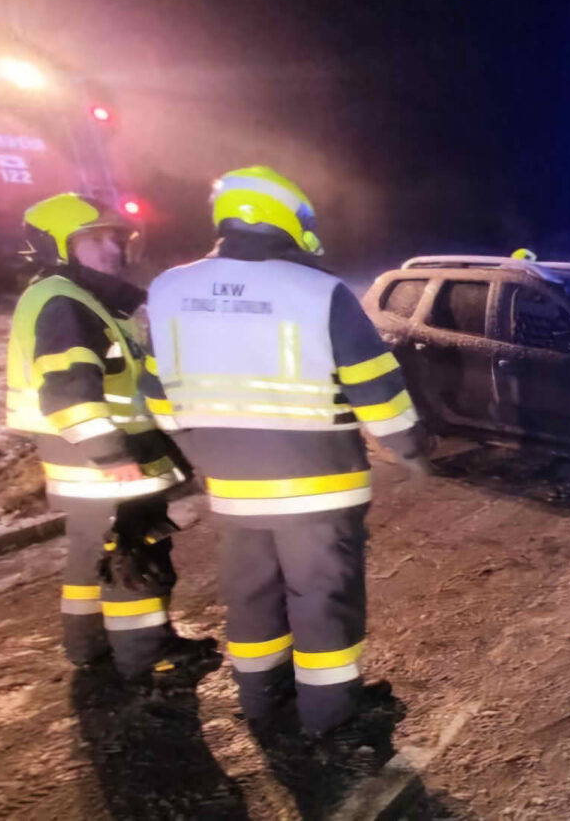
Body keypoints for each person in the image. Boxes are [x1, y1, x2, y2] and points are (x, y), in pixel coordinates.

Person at [141, 166, 428, 738]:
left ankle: (260, 699)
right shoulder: (318, 292)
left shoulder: (170, 289)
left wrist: (201, 452)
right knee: (322, 598)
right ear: (288, 220)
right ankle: (331, 713)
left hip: (231, 487)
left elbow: (157, 393)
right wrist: (409, 444)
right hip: (317, 486)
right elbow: (375, 385)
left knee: (251, 594)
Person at [5, 193, 212, 679]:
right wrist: (111, 454)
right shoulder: (65, 303)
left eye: (116, 238)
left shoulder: (71, 298)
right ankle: (147, 654)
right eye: (95, 239)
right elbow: (68, 392)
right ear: (58, 245)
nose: (112, 249)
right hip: (106, 456)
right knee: (134, 553)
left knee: (93, 552)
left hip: (81, 457)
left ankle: (89, 645)